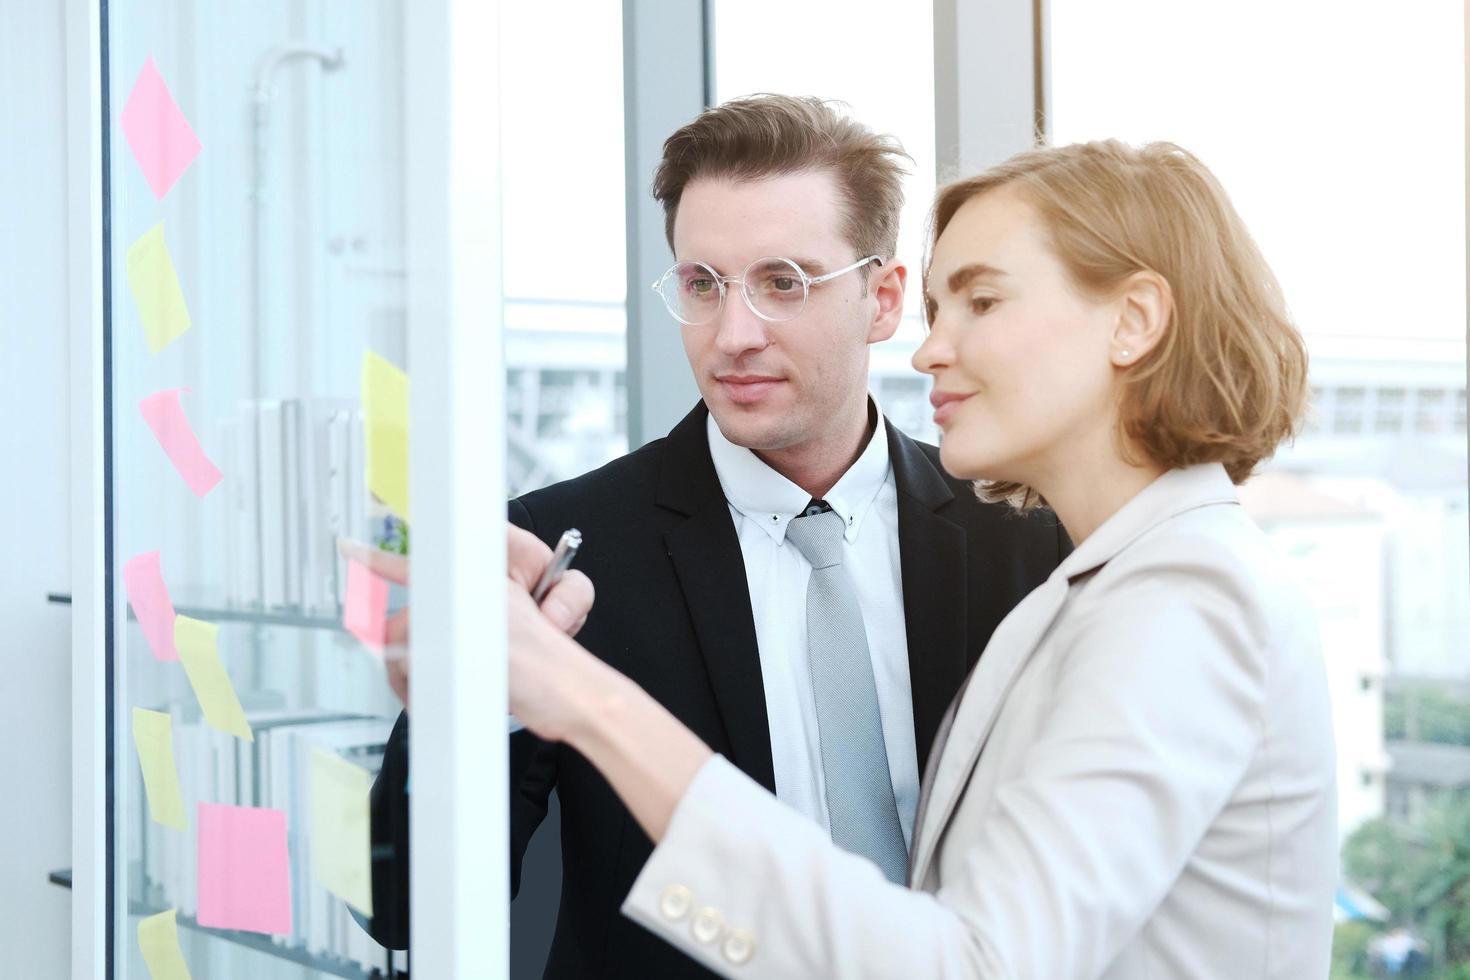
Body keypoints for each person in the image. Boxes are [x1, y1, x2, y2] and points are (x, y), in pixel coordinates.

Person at [502, 139, 1339, 978]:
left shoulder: (1184, 595)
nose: (931, 349)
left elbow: (972, 964)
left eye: (981, 301)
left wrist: (586, 700)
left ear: (1133, 320)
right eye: (942, 308)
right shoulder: (1111, 581)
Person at [361, 95, 1068, 977]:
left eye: (784, 282)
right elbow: (404, 907)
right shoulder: (558, 549)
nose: (733, 336)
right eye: (702, 285)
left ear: (882, 299)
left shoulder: (1025, 540)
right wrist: (481, 699)